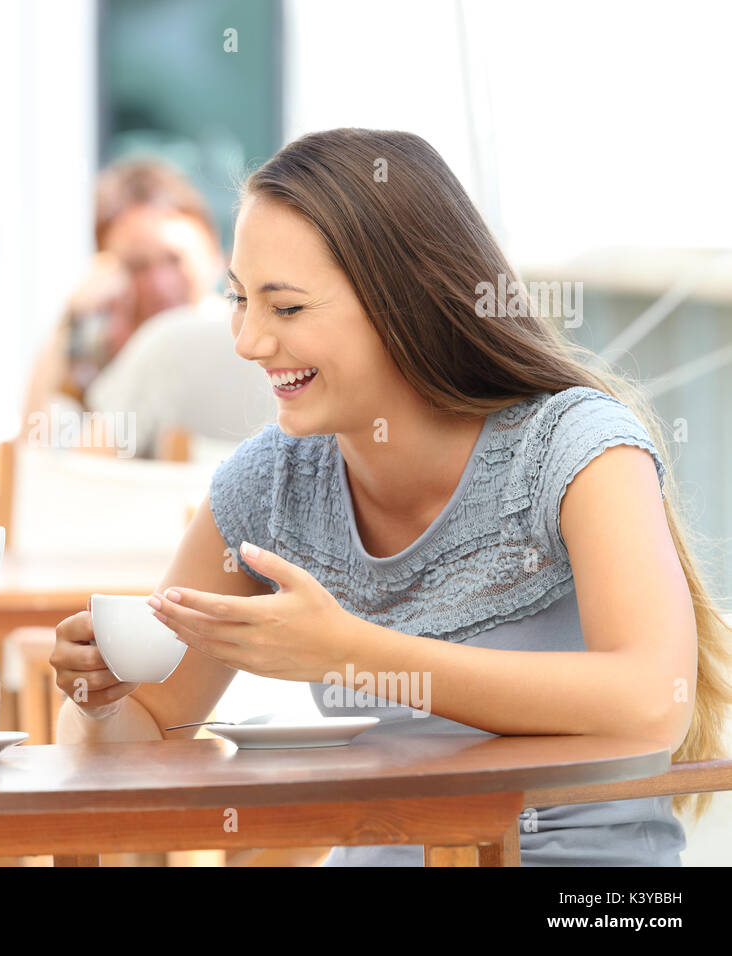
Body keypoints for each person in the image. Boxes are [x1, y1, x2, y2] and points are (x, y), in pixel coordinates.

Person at [51, 127, 732, 866]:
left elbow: (651, 698)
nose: (247, 341)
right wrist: (102, 701)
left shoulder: (572, 449)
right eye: (239, 301)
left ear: (404, 302)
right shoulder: (269, 485)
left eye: (286, 309)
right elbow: (143, 737)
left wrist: (349, 653)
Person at [20, 158, 272, 458]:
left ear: (214, 255)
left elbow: (57, 472)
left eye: (174, 259)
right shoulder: (98, 351)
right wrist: (71, 323)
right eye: (137, 265)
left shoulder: (213, 342)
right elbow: (32, 448)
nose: (160, 284)